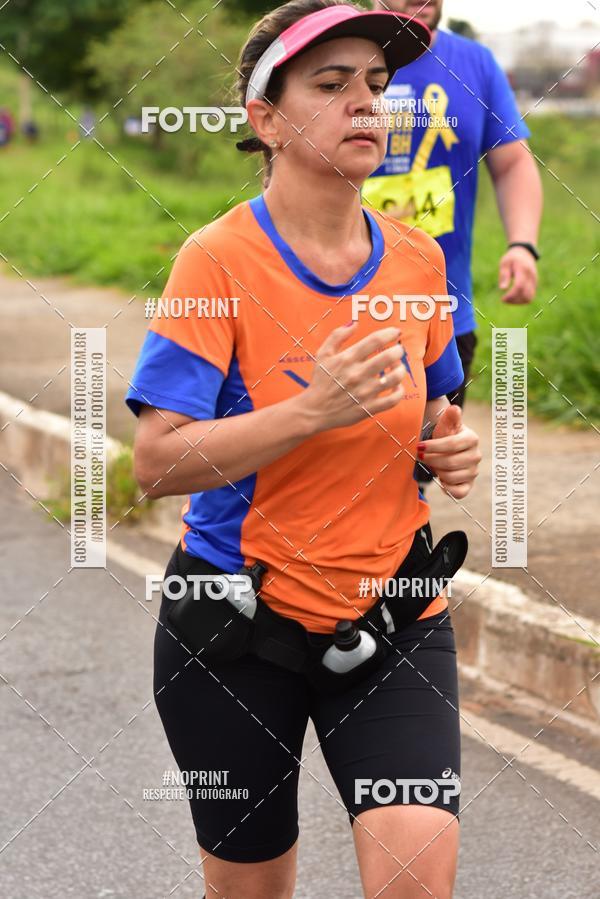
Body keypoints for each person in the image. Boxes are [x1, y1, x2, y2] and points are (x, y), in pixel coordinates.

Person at [125, 2, 481, 896]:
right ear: (267, 119)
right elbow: (156, 462)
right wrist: (311, 411)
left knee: (416, 875)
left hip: (394, 613)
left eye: (377, 83)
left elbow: (435, 408)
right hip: (235, 631)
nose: (365, 101)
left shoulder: (419, 259)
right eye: (330, 84)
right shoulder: (215, 261)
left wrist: (446, 447)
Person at [364, 0, 543, 412]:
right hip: (338, 307)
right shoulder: (339, 54)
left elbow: (512, 162)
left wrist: (522, 244)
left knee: (434, 446)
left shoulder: (475, 63)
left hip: (444, 312)